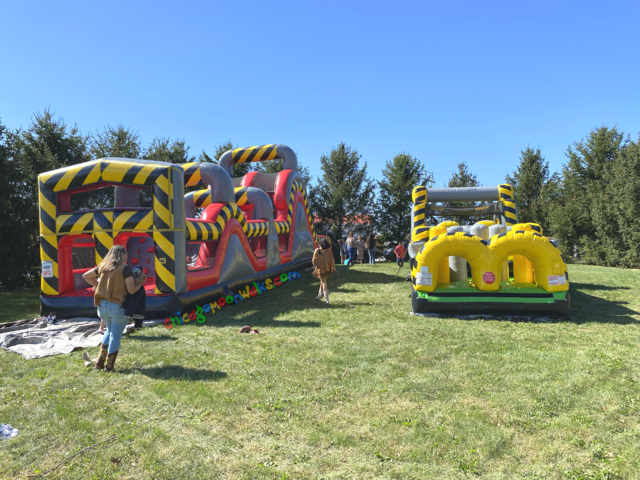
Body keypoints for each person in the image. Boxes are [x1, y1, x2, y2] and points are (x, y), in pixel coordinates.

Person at [82, 245, 144, 372]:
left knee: (109, 331)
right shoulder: (125, 269)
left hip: (101, 306)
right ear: (121, 253)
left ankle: (99, 362)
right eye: (126, 252)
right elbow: (132, 290)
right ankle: (109, 366)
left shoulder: (103, 266)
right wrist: (141, 282)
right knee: (115, 336)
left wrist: (99, 285)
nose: (127, 255)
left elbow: (85, 276)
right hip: (117, 307)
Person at [312, 238, 337, 304]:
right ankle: (319, 296)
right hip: (327, 269)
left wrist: (317, 266)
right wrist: (333, 268)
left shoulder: (317, 250)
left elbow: (314, 260)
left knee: (323, 282)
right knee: (322, 281)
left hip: (320, 269)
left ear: (320, 244)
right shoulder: (328, 251)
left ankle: (326, 300)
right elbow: (332, 260)